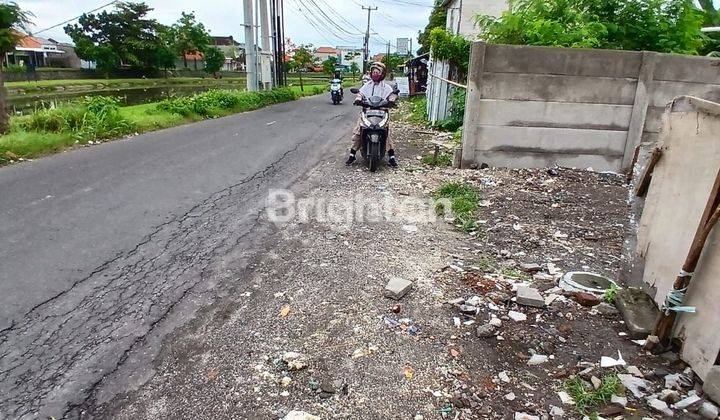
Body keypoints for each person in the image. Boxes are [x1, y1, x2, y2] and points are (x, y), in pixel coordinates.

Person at [346, 62, 399, 167]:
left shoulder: (386, 87)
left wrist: (392, 100)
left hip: (382, 112)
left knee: (388, 132)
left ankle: (391, 157)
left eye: (377, 72)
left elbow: (392, 95)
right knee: (358, 131)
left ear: (382, 73)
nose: (375, 74)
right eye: (373, 72)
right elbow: (360, 93)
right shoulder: (367, 85)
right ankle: (352, 155)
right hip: (367, 111)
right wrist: (358, 99)